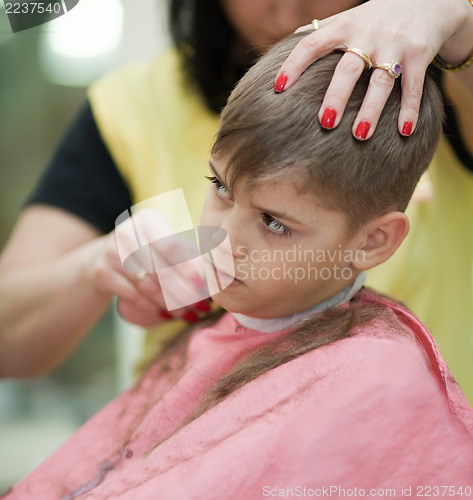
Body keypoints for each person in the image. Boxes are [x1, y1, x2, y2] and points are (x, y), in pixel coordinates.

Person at [3, 33, 473, 500]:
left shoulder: (376, 377)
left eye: (273, 222)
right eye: (221, 187)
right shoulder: (212, 317)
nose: (225, 237)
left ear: (374, 240)